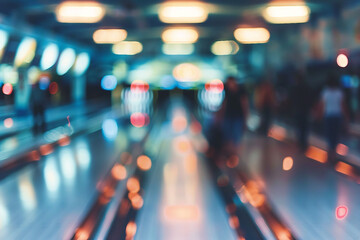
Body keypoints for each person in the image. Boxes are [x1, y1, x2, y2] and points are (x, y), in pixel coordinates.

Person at [216, 76, 249, 154]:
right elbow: (224, 104)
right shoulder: (227, 91)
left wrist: (245, 119)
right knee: (227, 135)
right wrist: (219, 116)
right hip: (228, 116)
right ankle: (229, 153)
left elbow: (245, 105)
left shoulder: (241, 91)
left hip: (238, 117)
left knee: (236, 136)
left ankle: (235, 154)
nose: (229, 85)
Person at [320, 75, 347, 159]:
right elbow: (343, 106)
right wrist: (346, 118)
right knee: (336, 136)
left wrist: (320, 115)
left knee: (329, 136)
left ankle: (329, 154)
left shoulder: (325, 92)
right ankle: (334, 155)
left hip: (328, 116)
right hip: (337, 116)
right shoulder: (339, 93)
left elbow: (322, 105)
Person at [290, 72, 313, 151]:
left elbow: (292, 99)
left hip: (298, 110)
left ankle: (300, 144)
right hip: (305, 110)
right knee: (304, 128)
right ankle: (304, 144)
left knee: (299, 127)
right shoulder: (307, 87)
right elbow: (310, 99)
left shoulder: (295, 87)